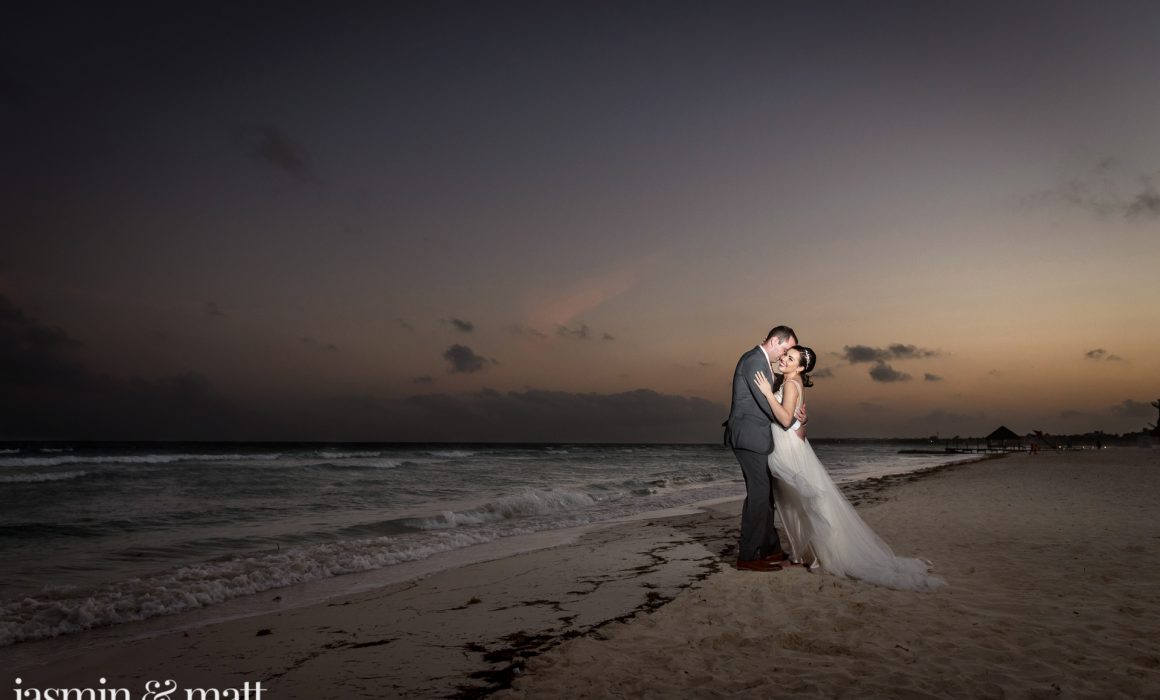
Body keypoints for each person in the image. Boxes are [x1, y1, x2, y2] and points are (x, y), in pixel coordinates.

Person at [753, 346, 945, 590]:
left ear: (800, 367)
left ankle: (811, 555)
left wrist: (768, 394)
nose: (784, 359)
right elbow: (795, 420)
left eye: (790, 358)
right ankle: (805, 555)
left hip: (789, 451)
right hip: (791, 446)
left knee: (800, 504)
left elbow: (784, 418)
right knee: (798, 504)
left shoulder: (791, 384)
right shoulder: (793, 381)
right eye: (785, 355)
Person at [723, 326, 805, 572]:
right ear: (774, 341)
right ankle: (748, 556)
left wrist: (799, 415)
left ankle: (770, 548)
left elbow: (782, 397)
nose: (784, 355)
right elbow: (773, 409)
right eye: (785, 349)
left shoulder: (763, 362)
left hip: (757, 437)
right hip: (749, 437)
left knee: (765, 494)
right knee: (758, 496)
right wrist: (793, 420)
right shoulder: (754, 361)